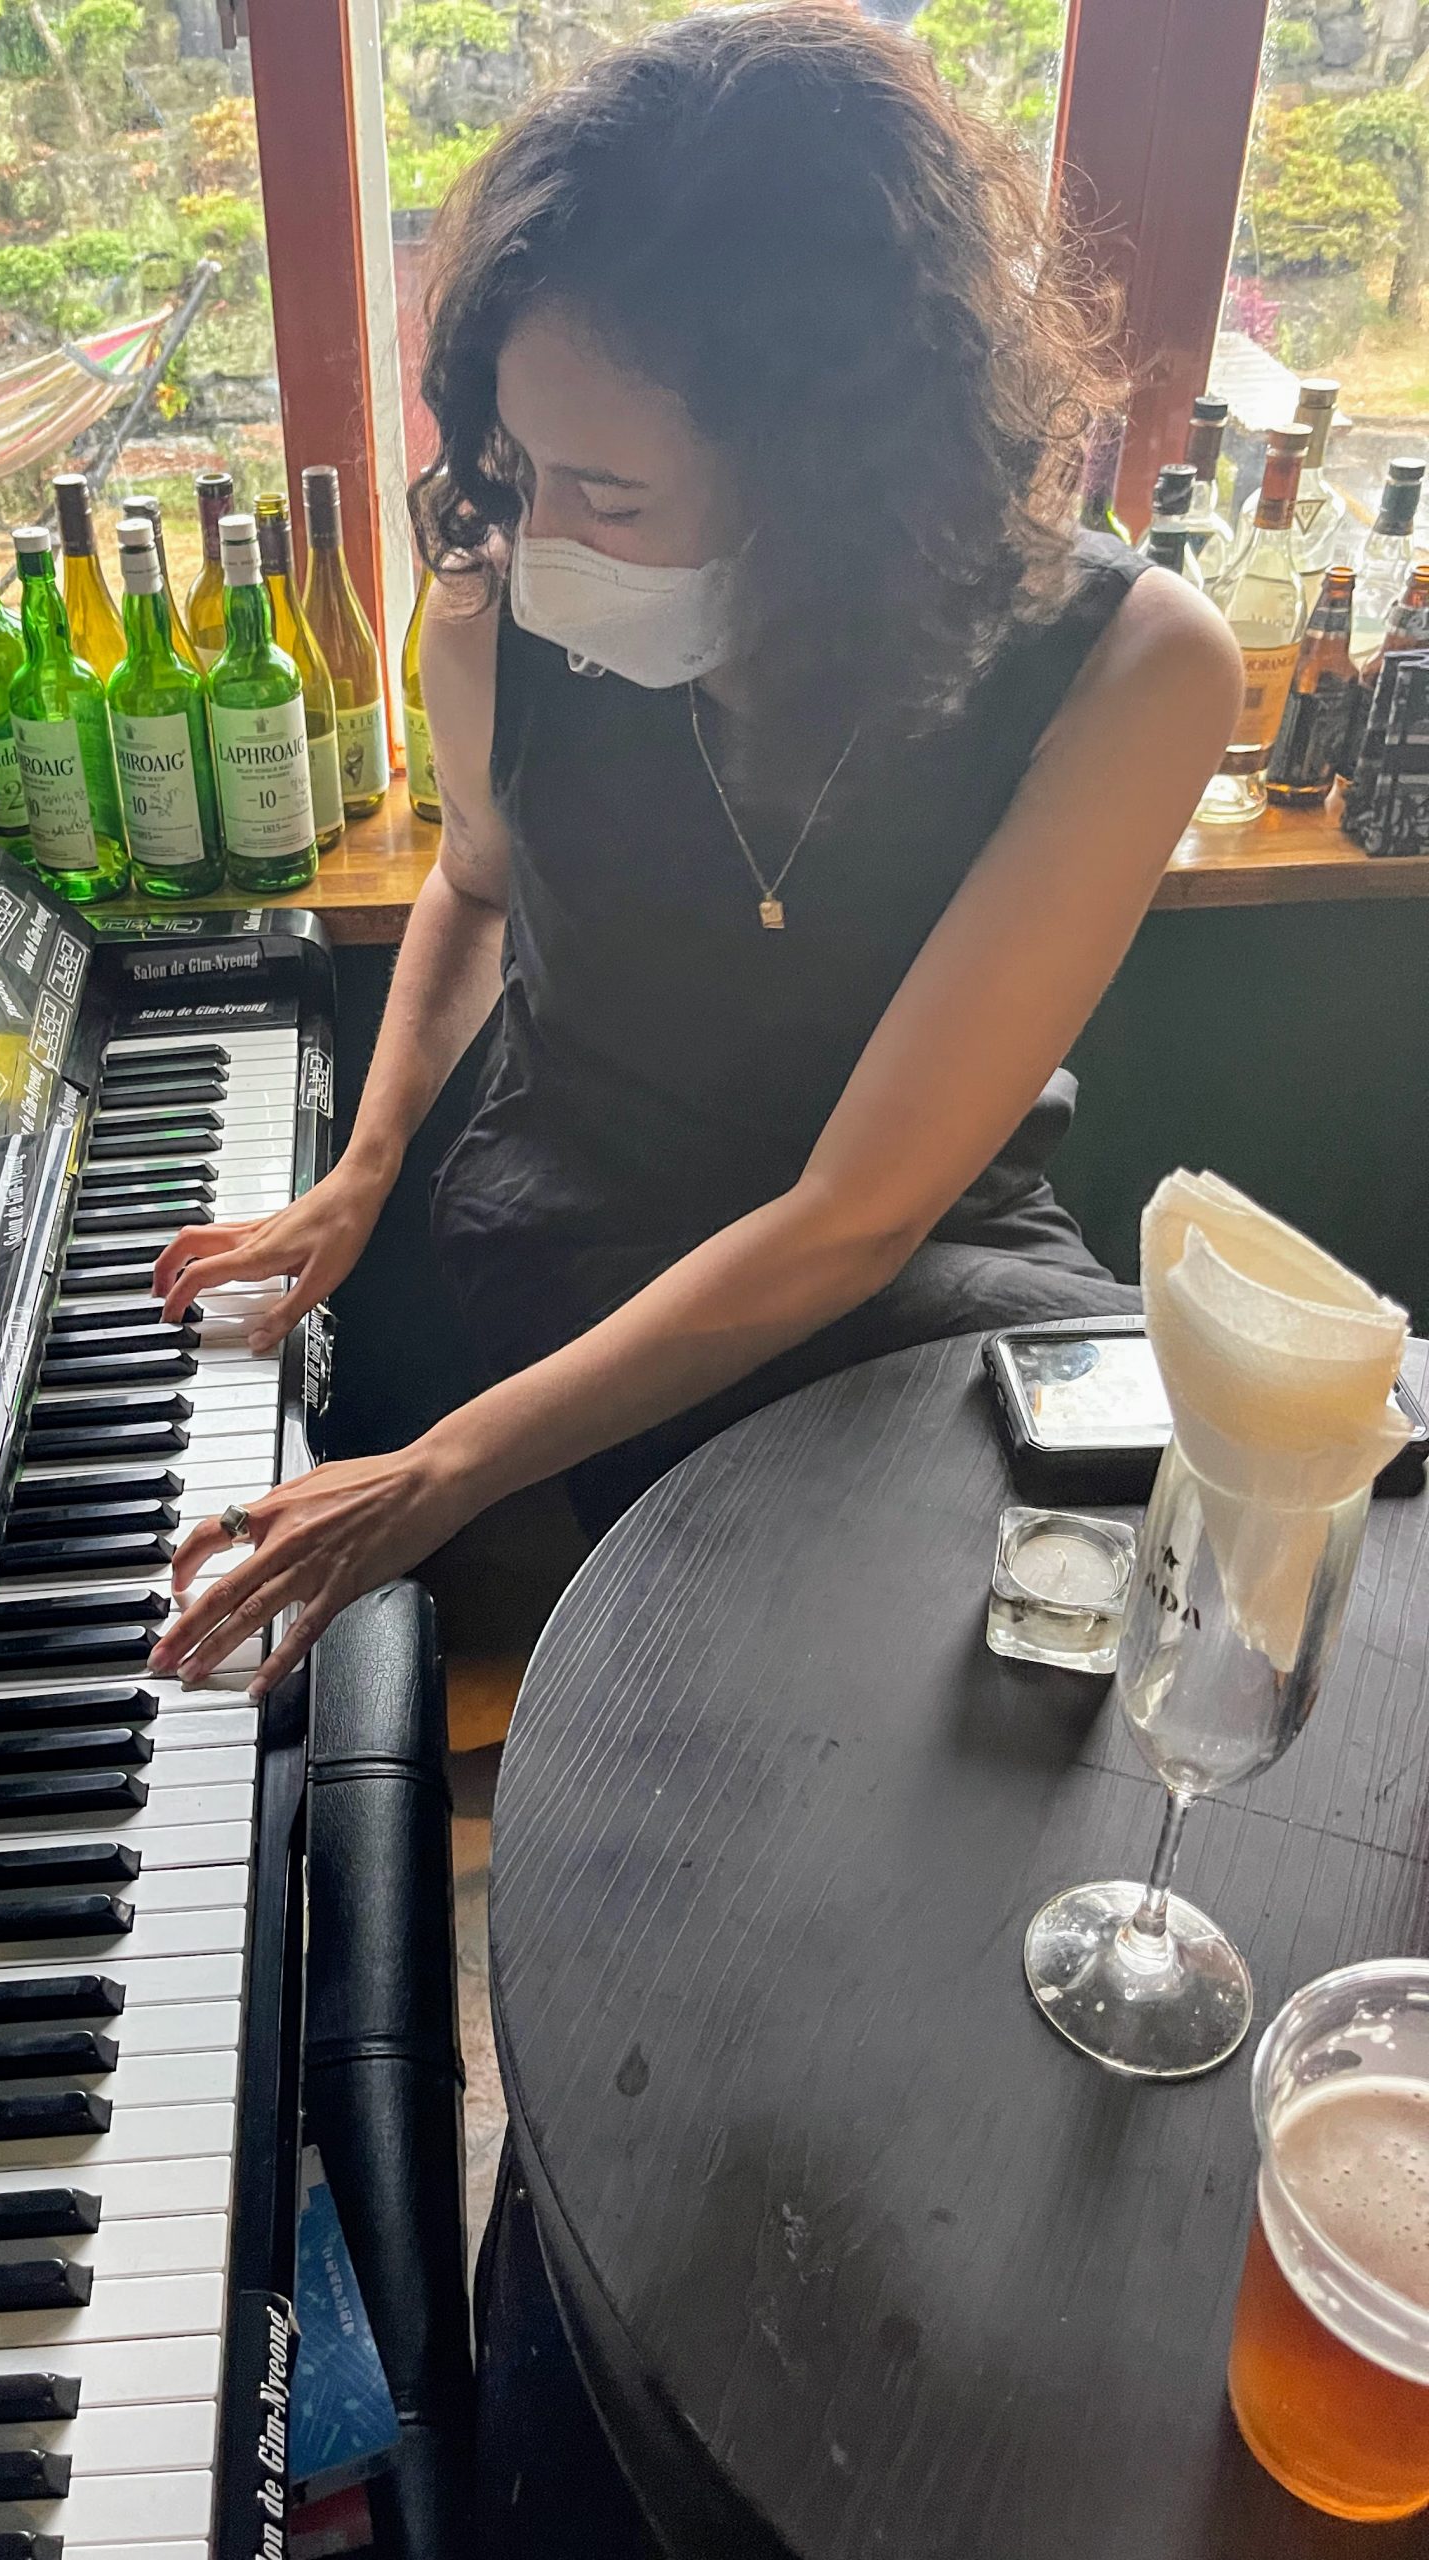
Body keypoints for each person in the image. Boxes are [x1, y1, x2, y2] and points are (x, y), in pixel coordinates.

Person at [148, 3, 1239, 1707]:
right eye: (516, 469)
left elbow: (858, 1214)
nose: (542, 546)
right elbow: (477, 884)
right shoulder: (497, 604)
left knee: (1165, 1576)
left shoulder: (1132, 666)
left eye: (612, 497)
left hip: (920, 1254)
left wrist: (439, 1473)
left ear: (839, 480)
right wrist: (368, 1161)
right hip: (574, 1230)